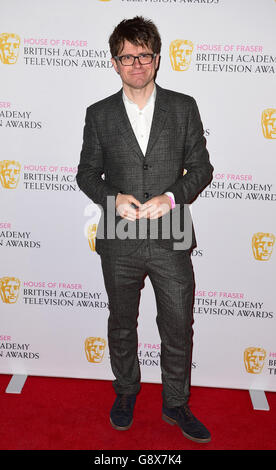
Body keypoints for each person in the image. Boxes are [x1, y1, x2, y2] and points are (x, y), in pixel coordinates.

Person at [77, 16, 213, 443]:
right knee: (121, 323)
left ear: (157, 59)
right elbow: (86, 174)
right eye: (127, 56)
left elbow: (203, 169)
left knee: (177, 324)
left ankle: (176, 403)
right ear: (114, 62)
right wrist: (112, 198)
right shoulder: (98, 114)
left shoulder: (183, 106)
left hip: (171, 232)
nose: (137, 64)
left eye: (145, 55)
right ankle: (126, 391)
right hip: (118, 236)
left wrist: (172, 197)